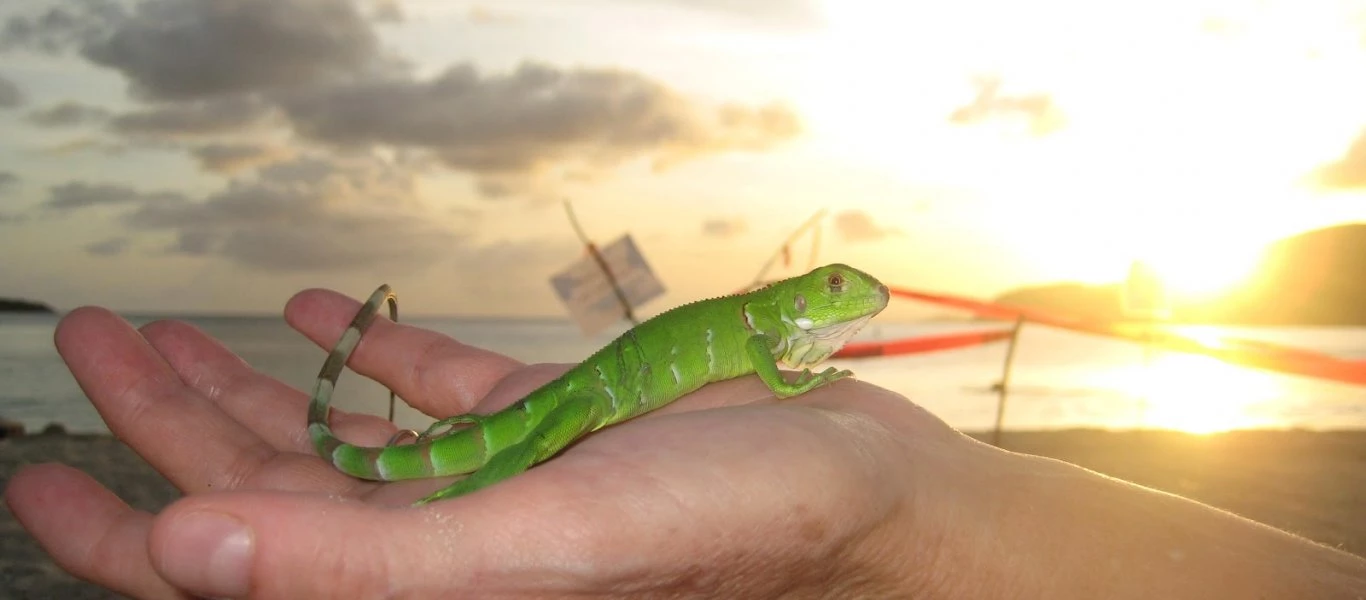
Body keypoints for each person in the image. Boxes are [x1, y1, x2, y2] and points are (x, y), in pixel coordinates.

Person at [6, 287, 1366, 599]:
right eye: (844, 285)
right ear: (810, 294)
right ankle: (387, 448)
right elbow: (774, 363)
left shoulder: (778, 336)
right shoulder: (779, 330)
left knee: (501, 437)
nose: (856, 298)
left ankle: (422, 450)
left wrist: (901, 493)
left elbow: (781, 373)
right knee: (505, 441)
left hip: (591, 387)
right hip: (584, 393)